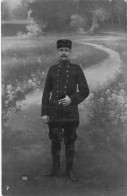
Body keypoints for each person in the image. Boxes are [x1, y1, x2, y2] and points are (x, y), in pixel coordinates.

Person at [41, 39, 89, 181]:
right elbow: (45, 93)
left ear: (70, 52)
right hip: (55, 111)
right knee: (55, 140)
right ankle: (55, 170)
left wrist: (71, 100)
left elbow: (85, 91)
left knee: (69, 141)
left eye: (66, 51)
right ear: (57, 52)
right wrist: (44, 113)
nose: (63, 53)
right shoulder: (52, 70)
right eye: (61, 50)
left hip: (70, 112)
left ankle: (69, 171)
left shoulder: (76, 69)